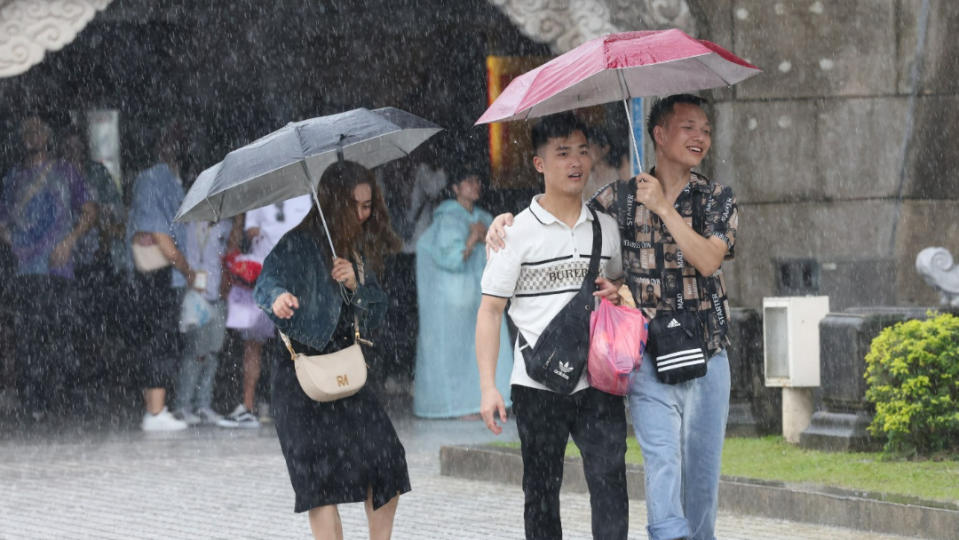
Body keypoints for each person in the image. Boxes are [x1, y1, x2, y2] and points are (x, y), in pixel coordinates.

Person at [487, 94, 739, 540]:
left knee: (698, 480)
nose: (700, 136)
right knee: (658, 465)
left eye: (705, 128)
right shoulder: (617, 202)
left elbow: (708, 261)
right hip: (646, 359)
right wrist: (503, 221)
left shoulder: (717, 199)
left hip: (707, 352)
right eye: (688, 127)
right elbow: (565, 212)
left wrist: (663, 207)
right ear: (659, 135)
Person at [475, 112, 628, 540]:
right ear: (539, 163)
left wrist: (615, 291)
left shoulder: (606, 228)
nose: (576, 162)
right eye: (562, 153)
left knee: (610, 481)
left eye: (582, 151)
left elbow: (618, 281)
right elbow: (489, 310)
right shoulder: (514, 234)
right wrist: (488, 387)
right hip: (537, 383)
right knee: (541, 492)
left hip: (598, 379)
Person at [254, 160, 409, 540]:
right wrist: (279, 299)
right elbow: (266, 280)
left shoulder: (353, 250)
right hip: (300, 375)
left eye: (368, 204)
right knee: (319, 485)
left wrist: (357, 284)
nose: (363, 213)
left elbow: (375, 316)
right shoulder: (297, 243)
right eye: (355, 205)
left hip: (348, 371)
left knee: (387, 462)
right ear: (332, 202)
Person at [0, 115, 96, 421]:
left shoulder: (66, 171)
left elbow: (90, 210)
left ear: (47, 136)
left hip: (59, 268)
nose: (32, 135)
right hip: (27, 271)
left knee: (62, 337)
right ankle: (36, 404)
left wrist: (69, 241)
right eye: (27, 130)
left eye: (38, 129)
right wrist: (14, 242)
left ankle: (62, 403)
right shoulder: (12, 179)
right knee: (31, 339)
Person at [413, 169, 512, 419]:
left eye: (477, 179)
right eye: (468, 180)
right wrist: (474, 237)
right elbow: (452, 258)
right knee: (456, 351)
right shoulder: (447, 218)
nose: (475, 184)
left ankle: (487, 399)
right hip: (452, 298)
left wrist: (483, 235)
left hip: (479, 294)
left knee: (481, 348)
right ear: (455, 188)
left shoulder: (484, 216)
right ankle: (457, 405)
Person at [127, 120, 195, 432]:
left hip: (164, 275)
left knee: (158, 339)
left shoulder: (172, 180)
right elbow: (159, 234)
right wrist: (186, 268)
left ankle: (155, 409)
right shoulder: (152, 179)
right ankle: (155, 412)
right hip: (158, 275)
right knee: (159, 339)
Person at [224, 195, 312, 428]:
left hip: (293, 275)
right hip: (265, 276)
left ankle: (296, 402)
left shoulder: (301, 194)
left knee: (291, 344)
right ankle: (249, 404)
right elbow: (251, 231)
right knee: (255, 342)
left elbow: (253, 230)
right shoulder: (263, 194)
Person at [172, 217, 234, 426]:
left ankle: (203, 405)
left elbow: (229, 256)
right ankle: (183, 405)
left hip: (217, 294)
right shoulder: (187, 223)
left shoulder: (227, 225)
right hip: (193, 294)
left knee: (213, 353)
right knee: (195, 352)